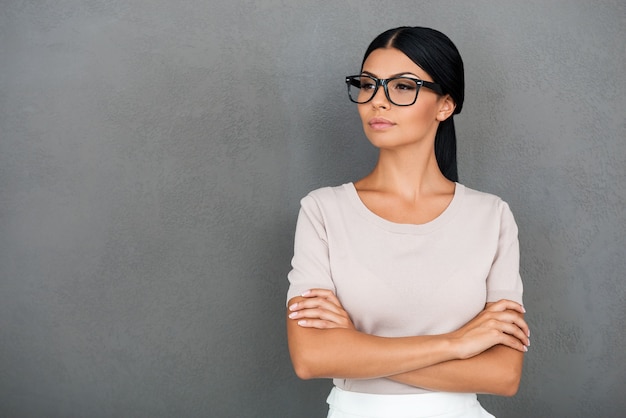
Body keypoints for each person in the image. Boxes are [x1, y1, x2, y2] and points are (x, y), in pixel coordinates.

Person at [286, 26, 530, 418]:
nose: (376, 102)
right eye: (367, 85)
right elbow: (312, 357)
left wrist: (356, 347)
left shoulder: (491, 216)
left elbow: (503, 375)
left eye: (402, 87)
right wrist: (457, 344)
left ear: (445, 105)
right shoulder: (323, 211)